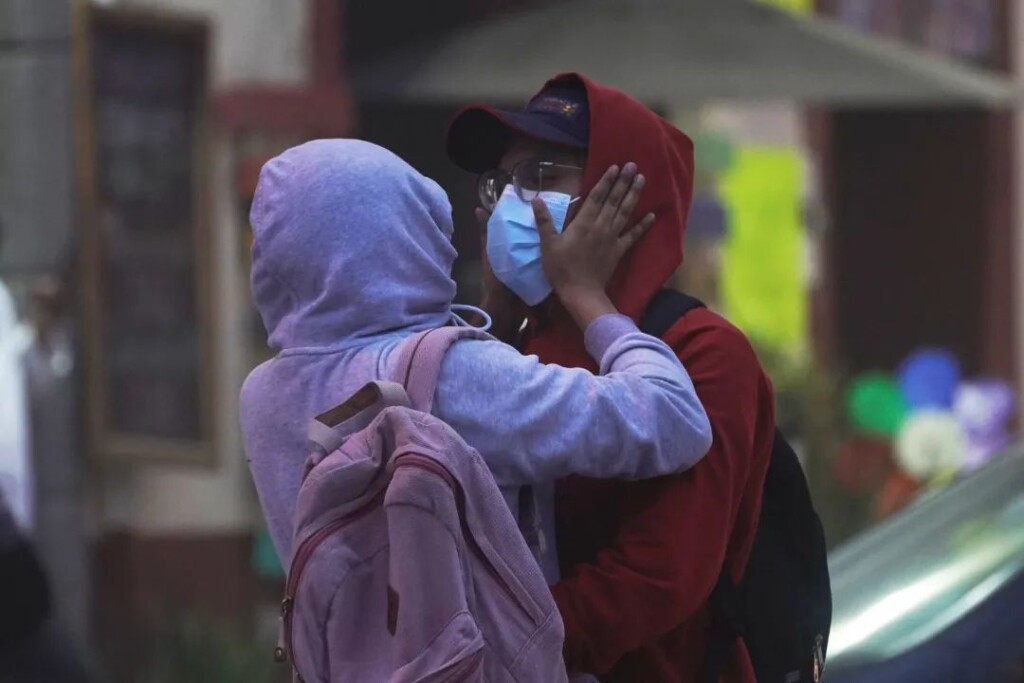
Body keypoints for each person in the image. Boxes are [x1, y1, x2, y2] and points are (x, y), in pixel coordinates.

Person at [239, 139, 713, 583]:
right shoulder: (455, 376)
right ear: (415, 233)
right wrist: (586, 294)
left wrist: (496, 311)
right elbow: (672, 419)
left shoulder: (261, 394)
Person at [446, 74, 775, 682]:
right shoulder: (522, 345)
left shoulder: (704, 352)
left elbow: (660, 573)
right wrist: (498, 322)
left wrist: (498, 650)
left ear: (626, 197)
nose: (512, 205)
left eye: (543, 175)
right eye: (502, 185)